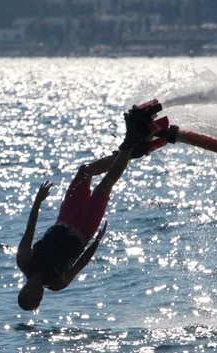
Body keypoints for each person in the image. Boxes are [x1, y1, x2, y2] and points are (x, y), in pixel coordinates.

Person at [16, 105, 159, 311]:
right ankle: (130, 142)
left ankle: (131, 150)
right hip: (85, 228)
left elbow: (30, 229)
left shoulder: (24, 261)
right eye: (39, 302)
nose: (40, 299)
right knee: (105, 184)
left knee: (84, 171)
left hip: (67, 216)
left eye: (35, 299)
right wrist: (97, 241)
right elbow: (81, 263)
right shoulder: (57, 283)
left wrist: (38, 201)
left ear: (25, 291)